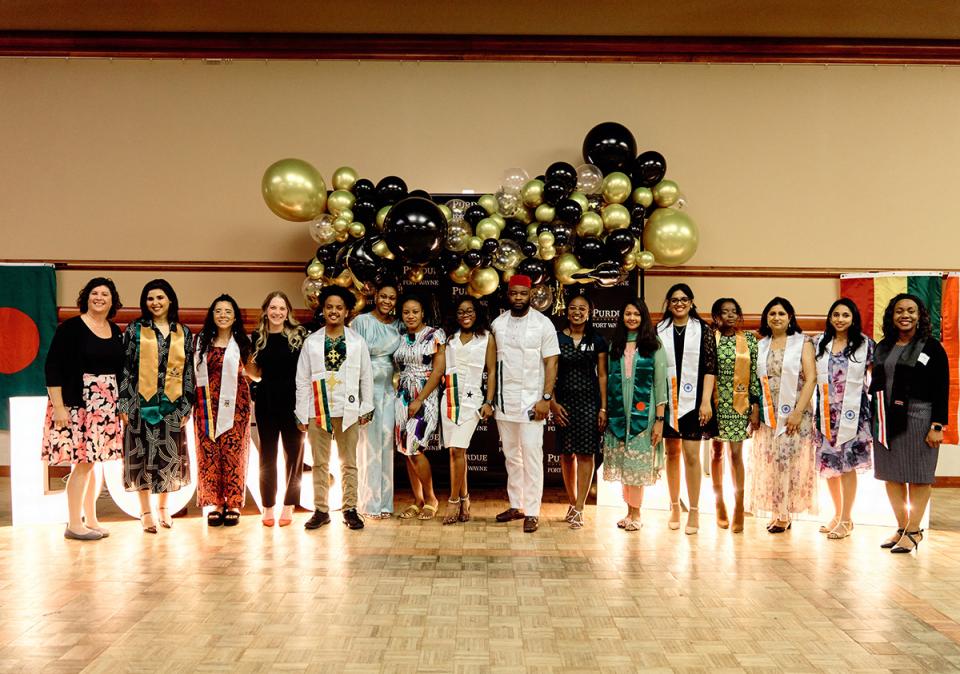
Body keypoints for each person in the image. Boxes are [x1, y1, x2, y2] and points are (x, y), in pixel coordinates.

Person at [43, 277, 125, 541]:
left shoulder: (115, 330)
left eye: (105, 294)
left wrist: (120, 406)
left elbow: (121, 372)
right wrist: (58, 407)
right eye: (94, 293)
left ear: (113, 301)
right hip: (78, 404)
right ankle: (73, 523)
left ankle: (91, 519)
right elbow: (52, 367)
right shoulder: (71, 328)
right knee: (82, 464)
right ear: (86, 298)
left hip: (106, 406)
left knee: (94, 464)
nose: (99, 297)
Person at [870, 293, 949, 553]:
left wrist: (937, 425)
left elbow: (941, 388)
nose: (905, 315)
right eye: (899, 311)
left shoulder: (931, 347)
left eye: (911, 311)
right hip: (885, 418)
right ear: (892, 316)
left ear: (920, 316)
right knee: (891, 476)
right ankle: (902, 527)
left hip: (919, 417)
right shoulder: (883, 346)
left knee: (918, 477)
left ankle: (914, 530)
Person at [119, 279, 195, 533]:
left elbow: (188, 373)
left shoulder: (184, 333)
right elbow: (126, 369)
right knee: (140, 455)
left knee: (168, 456)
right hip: (140, 404)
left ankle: (163, 508)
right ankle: (145, 511)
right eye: (150, 298)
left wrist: (186, 406)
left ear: (170, 300)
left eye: (160, 297)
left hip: (172, 405)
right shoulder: (134, 330)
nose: (155, 303)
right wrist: (125, 403)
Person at [296, 286, 373, 531]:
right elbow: (302, 378)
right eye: (329, 306)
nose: (333, 311)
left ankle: (350, 508)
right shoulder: (312, 342)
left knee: (348, 463)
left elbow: (366, 377)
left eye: (339, 307)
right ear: (323, 309)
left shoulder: (356, 342)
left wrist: (366, 407)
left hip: (348, 410)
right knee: (319, 463)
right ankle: (321, 509)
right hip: (317, 409)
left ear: (347, 311)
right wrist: (301, 411)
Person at [491, 274, 560, 534]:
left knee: (531, 455)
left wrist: (545, 399)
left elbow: (551, 362)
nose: (518, 298)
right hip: (505, 402)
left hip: (533, 403)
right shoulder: (498, 324)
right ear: (508, 295)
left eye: (523, 293)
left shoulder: (544, 324)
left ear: (531, 294)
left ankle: (532, 511)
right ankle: (516, 504)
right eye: (514, 293)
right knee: (511, 456)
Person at [747, 297, 818, 533]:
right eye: (772, 314)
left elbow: (811, 378)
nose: (776, 317)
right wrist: (756, 409)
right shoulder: (761, 345)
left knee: (790, 462)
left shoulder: (802, 343)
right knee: (773, 462)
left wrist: (797, 412)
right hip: (770, 413)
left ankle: (785, 513)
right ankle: (778, 510)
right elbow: (756, 383)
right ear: (766, 318)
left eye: (781, 313)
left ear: (790, 318)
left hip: (795, 413)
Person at [656, 283, 716, 535]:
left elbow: (710, 368)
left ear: (691, 302)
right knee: (672, 454)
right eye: (674, 300)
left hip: (694, 403)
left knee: (692, 455)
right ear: (668, 303)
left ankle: (694, 509)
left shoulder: (703, 330)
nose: (679, 304)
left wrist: (705, 401)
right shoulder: (658, 330)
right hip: (668, 400)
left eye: (684, 299)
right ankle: (673, 506)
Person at [603, 299, 667, 532]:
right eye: (627, 313)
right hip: (620, 412)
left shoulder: (653, 345)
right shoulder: (616, 345)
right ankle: (628, 511)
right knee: (625, 462)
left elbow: (661, 385)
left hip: (645, 414)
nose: (632, 318)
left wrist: (659, 420)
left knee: (637, 465)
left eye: (636, 314)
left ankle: (637, 513)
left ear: (644, 317)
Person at [814, 298, 874, 540]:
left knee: (847, 466)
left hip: (853, 414)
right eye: (836, 314)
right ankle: (837, 514)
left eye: (845, 315)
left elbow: (876, 377)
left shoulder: (865, 344)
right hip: (827, 414)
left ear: (853, 318)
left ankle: (848, 519)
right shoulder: (820, 343)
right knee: (831, 466)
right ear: (830, 317)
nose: (840, 319)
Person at [247, 291, 307, 527]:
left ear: (288, 312)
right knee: (268, 456)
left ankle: (289, 504)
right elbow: (255, 371)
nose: (277, 312)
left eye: (282, 308)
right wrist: (248, 372)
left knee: (294, 455)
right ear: (266, 310)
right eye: (273, 307)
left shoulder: (298, 335)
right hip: (266, 401)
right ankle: (268, 505)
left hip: (293, 402)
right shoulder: (257, 336)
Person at [193, 294, 252, 527]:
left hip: (235, 406)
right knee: (208, 453)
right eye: (218, 311)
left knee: (233, 452)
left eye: (228, 311)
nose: (223, 315)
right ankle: (216, 502)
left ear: (235, 316)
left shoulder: (243, 343)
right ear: (212, 315)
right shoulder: (201, 342)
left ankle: (234, 503)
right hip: (206, 404)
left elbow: (255, 373)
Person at [552, 293, 608, 529]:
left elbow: (603, 375)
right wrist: (552, 403)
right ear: (567, 311)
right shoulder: (556, 339)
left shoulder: (597, 340)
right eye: (573, 308)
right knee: (567, 454)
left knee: (586, 454)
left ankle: (580, 508)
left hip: (589, 402)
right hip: (563, 402)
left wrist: (603, 407)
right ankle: (572, 502)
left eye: (582, 308)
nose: (577, 312)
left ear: (589, 312)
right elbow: (548, 374)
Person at [440, 296, 497, 525]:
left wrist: (489, 402)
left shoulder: (486, 338)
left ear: (477, 313)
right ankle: (465, 499)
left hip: (473, 402)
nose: (465, 315)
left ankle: (453, 500)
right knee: (456, 453)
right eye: (461, 311)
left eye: (470, 311)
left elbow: (491, 371)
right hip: (449, 399)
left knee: (457, 449)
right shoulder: (449, 339)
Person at [707, 298, 759, 534]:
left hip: (740, 404)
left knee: (736, 453)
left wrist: (755, 405)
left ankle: (739, 505)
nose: (729, 315)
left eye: (733, 312)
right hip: (714, 403)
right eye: (723, 312)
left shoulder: (748, 340)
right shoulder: (709, 339)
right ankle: (719, 503)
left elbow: (755, 373)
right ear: (716, 316)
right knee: (716, 452)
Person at [351, 282, 402, 519]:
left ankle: (385, 504)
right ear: (376, 296)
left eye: (392, 298)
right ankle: (368, 503)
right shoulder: (361, 322)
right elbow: (354, 357)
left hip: (389, 392)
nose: (387, 302)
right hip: (366, 390)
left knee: (385, 445)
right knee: (367, 446)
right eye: (383, 296)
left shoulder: (399, 326)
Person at [394, 293, 446, 521]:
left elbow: (437, 372)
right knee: (406, 450)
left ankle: (431, 498)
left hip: (425, 397)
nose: (410, 316)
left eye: (415, 311)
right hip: (402, 397)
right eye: (406, 312)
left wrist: (419, 399)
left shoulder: (435, 335)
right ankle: (417, 500)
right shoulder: (401, 336)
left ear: (423, 312)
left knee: (414, 447)